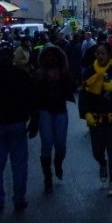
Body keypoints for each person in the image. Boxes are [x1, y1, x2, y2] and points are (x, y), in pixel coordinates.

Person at [0, 41, 39, 213]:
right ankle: (19, 198)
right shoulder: (20, 75)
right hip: (17, 122)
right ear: (11, 57)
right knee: (19, 164)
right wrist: (34, 120)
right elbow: (32, 98)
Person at [78, 40, 112, 197]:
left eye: (103, 53)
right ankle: (102, 163)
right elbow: (84, 95)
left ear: (109, 55)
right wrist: (85, 113)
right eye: (98, 53)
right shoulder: (88, 72)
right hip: (96, 117)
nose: (101, 56)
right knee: (97, 150)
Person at [34, 45, 76, 194]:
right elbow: (34, 94)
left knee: (60, 145)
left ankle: (58, 162)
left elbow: (72, 87)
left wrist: (64, 77)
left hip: (60, 111)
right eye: (48, 57)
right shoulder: (39, 75)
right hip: (45, 111)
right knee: (46, 142)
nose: (50, 59)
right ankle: (47, 177)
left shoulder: (64, 73)